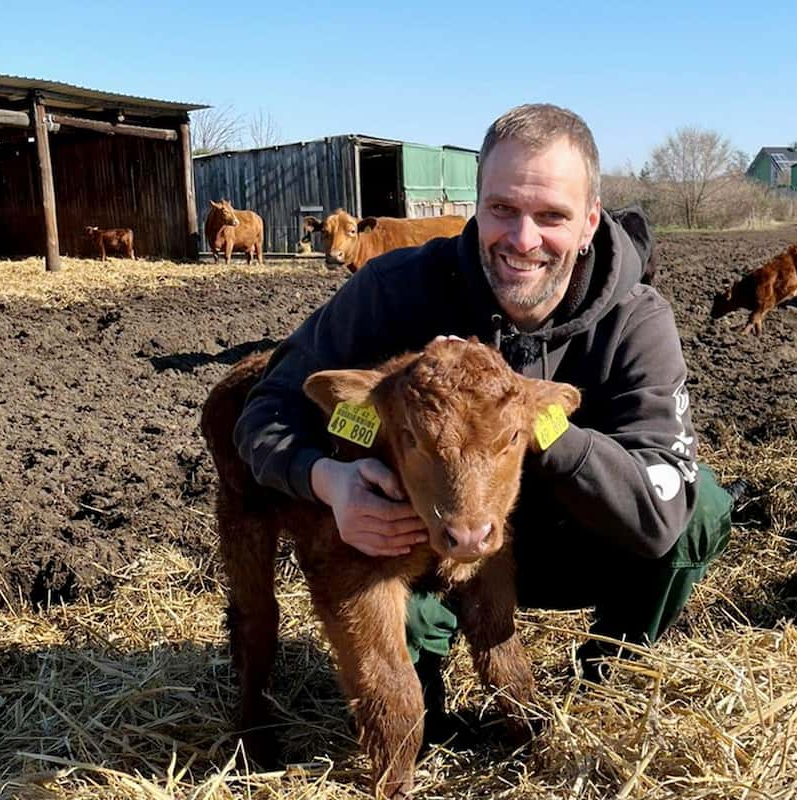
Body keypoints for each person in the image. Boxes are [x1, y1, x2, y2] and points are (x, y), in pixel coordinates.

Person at [233, 103, 742, 716]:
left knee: (700, 507)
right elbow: (265, 411)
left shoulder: (635, 321)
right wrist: (330, 482)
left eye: (552, 216)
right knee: (404, 705)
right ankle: (431, 678)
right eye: (503, 210)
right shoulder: (394, 288)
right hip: (424, 534)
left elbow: (661, 514)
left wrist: (537, 424)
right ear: (476, 206)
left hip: (564, 540)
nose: (523, 240)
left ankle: (609, 677)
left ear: (588, 223)